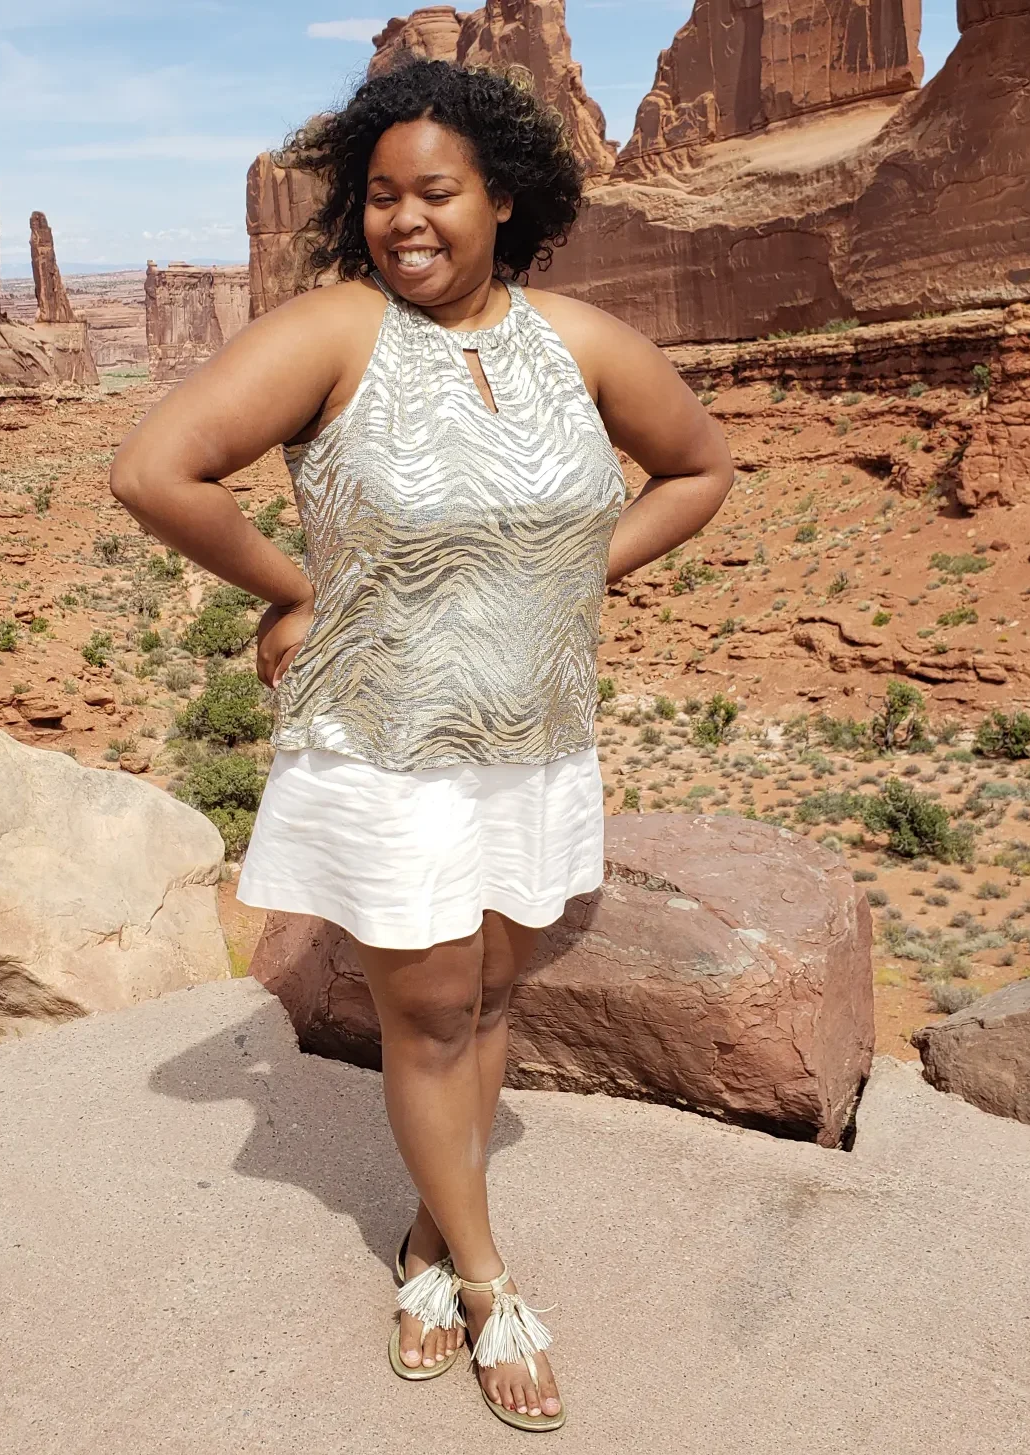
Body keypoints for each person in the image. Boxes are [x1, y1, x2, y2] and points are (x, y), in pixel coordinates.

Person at [110, 58, 734, 1434]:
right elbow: (157, 471)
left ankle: (423, 1240)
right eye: (381, 195)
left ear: (504, 198)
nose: (406, 220)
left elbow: (700, 468)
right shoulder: (337, 331)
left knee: (492, 999)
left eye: (436, 192)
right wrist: (296, 586)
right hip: (388, 746)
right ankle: (490, 1280)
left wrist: (587, 573)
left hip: (535, 738)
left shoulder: (578, 343)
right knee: (433, 1004)